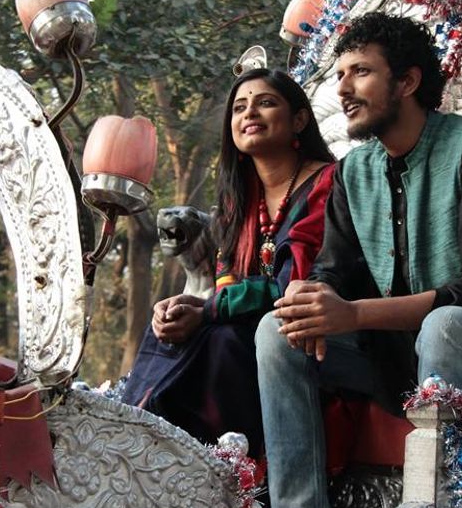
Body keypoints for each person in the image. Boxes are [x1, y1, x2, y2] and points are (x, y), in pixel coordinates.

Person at [254, 12, 462, 508]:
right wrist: (310, 295)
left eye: (360, 72)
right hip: (394, 355)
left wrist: (353, 314)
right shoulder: (353, 171)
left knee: (447, 325)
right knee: (277, 331)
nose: (343, 89)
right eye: (340, 75)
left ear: (407, 82)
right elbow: (334, 270)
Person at [121, 67, 336, 460]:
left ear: (299, 120)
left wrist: (207, 312)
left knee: (223, 341)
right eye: (239, 108)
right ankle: (141, 451)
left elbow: (295, 284)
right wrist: (187, 306)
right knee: (165, 330)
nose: (249, 112)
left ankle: (230, 470)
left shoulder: (327, 184)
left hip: (315, 331)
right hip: (246, 325)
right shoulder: (238, 200)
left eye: (265, 103)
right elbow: (227, 282)